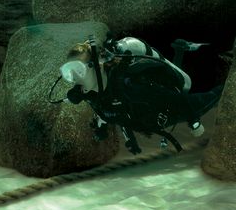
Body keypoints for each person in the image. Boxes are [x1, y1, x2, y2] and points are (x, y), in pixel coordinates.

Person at [54, 35, 224, 154]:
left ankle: (224, 73)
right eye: (68, 71)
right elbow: (113, 113)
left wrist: (194, 121)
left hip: (170, 109)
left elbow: (177, 99)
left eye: (77, 69)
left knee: (205, 96)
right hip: (149, 115)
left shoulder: (133, 85)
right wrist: (102, 129)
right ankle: (180, 48)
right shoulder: (94, 94)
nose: (73, 78)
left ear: (96, 66)